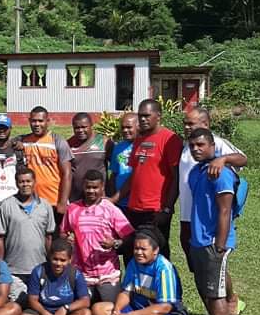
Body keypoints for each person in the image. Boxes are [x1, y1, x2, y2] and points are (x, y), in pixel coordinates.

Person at [178, 107, 246, 315]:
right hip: (188, 215)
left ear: (206, 124)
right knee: (199, 266)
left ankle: (229, 304)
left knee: (214, 264)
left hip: (208, 216)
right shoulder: (187, 146)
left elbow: (243, 159)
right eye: (186, 124)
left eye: (192, 123)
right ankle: (214, 309)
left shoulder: (215, 143)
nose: (188, 127)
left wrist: (223, 160)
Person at [187, 128, 240, 315]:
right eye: (193, 146)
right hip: (198, 240)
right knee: (206, 290)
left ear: (212, 146)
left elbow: (225, 210)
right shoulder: (198, 171)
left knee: (217, 295)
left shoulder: (221, 173)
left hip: (212, 242)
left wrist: (219, 245)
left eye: (201, 145)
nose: (196, 149)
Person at [86, 228, 188, 315]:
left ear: (155, 251)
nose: (139, 252)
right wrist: (117, 311)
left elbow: (165, 307)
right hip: (137, 309)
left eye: (143, 249)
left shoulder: (164, 268)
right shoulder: (134, 263)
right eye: (136, 248)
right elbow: (126, 292)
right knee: (99, 309)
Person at [117, 99, 183, 258]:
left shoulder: (170, 139)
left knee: (157, 254)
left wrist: (167, 208)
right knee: (132, 252)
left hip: (155, 210)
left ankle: (163, 283)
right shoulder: (139, 139)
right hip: (133, 208)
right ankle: (135, 283)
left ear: (158, 116)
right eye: (140, 116)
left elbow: (176, 177)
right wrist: (115, 198)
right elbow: (135, 174)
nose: (143, 119)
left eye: (147, 115)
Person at [61, 169, 134, 303]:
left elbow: (129, 236)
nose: (91, 191)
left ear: (102, 187)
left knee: (108, 311)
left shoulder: (110, 209)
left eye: (95, 187)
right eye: (88, 187)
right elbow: (63, 234)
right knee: (82, 313)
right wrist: (67, 239)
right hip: (81, 272)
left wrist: (115, 244)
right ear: (83, 186)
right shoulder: (72, 209)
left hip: (107, 273)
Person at [0, 167, 55, 291]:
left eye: (28, 181)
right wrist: (1, 266)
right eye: (21, 182)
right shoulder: (6, 205)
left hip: (40, 267)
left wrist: (50, 263)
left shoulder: (45, 206)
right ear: (16, 183)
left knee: (38, 303)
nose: (25, 185)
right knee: (16, 305)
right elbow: (0, 238)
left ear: (34, 182)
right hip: (13, 269)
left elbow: (48, 237)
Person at [19, 237, 91, 315]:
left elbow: (85, 301)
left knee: (86, 314)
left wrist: (65, 308)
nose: (58, 264)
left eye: (63, 260)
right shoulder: (38, 271)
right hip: (43, 314)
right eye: (55, 259)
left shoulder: (75, 274)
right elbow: (32, 300)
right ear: (49, 256)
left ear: (70, 260)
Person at [18, 106, 72, 222]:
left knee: (54, 238)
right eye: (33, 121)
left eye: (40, 121)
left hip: (53, 201)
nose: (37, 124)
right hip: (31, 201)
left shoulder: (57, 141)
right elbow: (3, 143)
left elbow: (67, 174)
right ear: (29, 121)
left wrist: (62, 202)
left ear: (48, 121)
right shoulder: (23, 141)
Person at [67, 113, 111, 202]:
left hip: (99, 197)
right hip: (76, 198)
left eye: (84, 127)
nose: (80, 130)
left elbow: (115, 169)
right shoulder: (68, 144)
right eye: (77, 128)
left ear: (91, 125)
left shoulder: (104, 142)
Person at [107, 112, 138, 210]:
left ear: (138, 126)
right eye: (123, 127)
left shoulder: (143, 146)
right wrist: (112, 198)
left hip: (136, 203)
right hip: (119, 203)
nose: (125, 130)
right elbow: (114, 173)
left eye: (129, 127)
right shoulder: (118, 147)